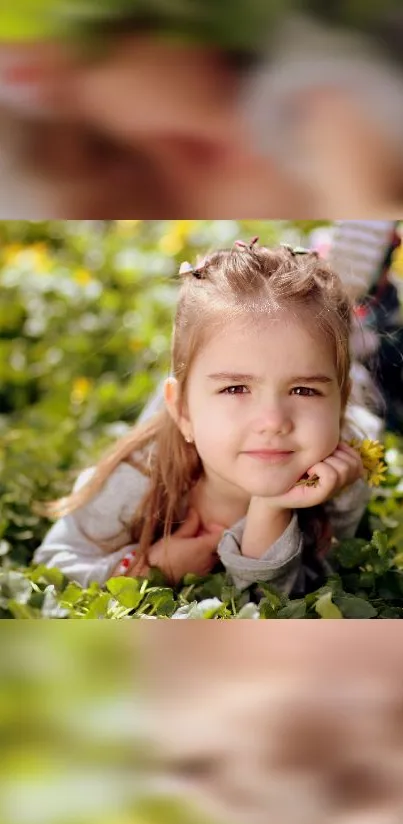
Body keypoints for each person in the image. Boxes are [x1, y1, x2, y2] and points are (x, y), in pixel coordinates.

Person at [32, 239, 375, 599]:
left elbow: (278, 604)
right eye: (236, 389)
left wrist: (271, 508)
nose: (273, 421)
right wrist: (147, 568)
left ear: (339, 405)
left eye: (304, 390)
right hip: (188, 417)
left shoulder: (341, 478)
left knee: (364, 373)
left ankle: (361, 312)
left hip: (348, 402)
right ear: (181, 412)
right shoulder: (138, 476)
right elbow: (51, 571)